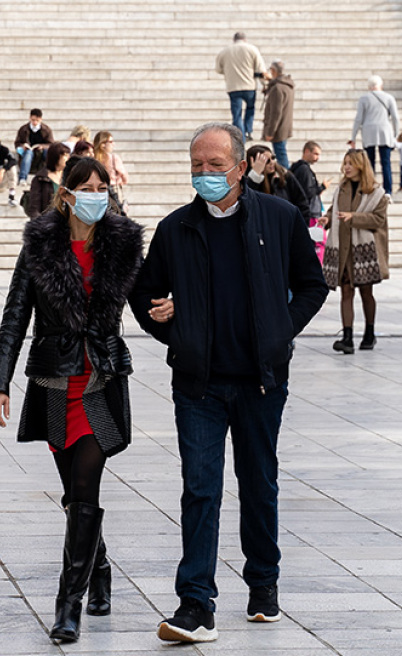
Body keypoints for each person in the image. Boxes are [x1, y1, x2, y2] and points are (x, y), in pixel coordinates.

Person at [129, 123, 327, 644]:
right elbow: (143, 294)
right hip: (199, 385)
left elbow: (311, 285)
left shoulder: (280, 218)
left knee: (259, 483)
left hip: (261, 382)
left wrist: (282, 329)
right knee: (200, 489)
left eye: (215, 165)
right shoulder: (175, 229)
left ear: (241, 167)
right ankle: (196, 604)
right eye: (197, 165)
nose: (205, 174)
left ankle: (263, 584)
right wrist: (167, 324)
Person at [0, 156, 144, 645]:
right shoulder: (41, 244)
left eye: (103, 185)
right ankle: (98, 568)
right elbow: (15, 316)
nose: (97, 193)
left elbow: (153, 298)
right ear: (67, 192)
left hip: (100, 382)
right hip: (56, 382)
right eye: (86, 186)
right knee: (72, 495)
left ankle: (66, 605)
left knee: (85, 487)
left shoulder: (122, 245)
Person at [319, 149, 390, 354]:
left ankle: (370, 332)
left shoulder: (376, 192)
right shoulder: (342, 188)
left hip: (364, 251)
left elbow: (378, 220)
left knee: (366, 292)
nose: (347, 167)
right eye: (345, 163)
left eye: (351, 163)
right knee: (346, 292)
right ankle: (347, 337)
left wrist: (354, 217)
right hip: (343, 248)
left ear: (361, 165)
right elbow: (336, 210)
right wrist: (327, 219)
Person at [349, 75, 400, 195]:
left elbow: (358, 119)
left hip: (368, 132)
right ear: (381, 85)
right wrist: (396, 135)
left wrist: (353, 137)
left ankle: (370, 188)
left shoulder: (364, 98)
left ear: (369, 87)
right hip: (385, 132)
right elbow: (395, 118)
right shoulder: (389, 97)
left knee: (369, 163)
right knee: (386, 162)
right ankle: (388, 191)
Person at [215, 32, 266, 140]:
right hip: (249, 86)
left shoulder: (225, 51)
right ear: (245, 39)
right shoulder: (252, 49)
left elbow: (218, 69)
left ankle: (240, 136)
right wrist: (264, 84)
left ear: (234, 39)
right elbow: (260, 69)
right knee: (250, 109)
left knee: (237, 114)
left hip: (233, 87)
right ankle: (248, 131)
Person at [289, 141, 332, 260]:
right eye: (315, 154)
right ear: (307, 151)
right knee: (318, 244)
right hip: (311, 214)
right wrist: (322, 187)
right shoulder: (304, 170)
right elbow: (308, 192)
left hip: (308, 213)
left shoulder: (298, 168)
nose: (317, 158)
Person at [243, 145, 308, 218]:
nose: (272, 162)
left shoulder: (285, 176)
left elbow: (302, 203)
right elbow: (246, 202)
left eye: (273, 158)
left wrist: (301, 225)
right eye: (266, 160)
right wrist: (255, 176)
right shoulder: (248, 181)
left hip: (286, 225)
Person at [260, 60, 294, 167]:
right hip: (284, 126)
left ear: (273, 70)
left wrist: (270, 132)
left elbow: (276, 113)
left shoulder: (277, 88)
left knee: (281, 156)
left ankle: (286, 179)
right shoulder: (286, 85)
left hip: (278, 129)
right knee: (281, 153)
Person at [25, 143, 69, 218]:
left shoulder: (69, 177)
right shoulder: (40, 178)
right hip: (48, 222)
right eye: (65, 155)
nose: (68, 158)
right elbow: (34, 208)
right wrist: (42, 226)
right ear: (57, 157)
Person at [15, 108, 55, 185]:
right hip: (29, 151)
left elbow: (51, 144)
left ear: (41, 119)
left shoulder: (46, 130)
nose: (34, 122)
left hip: (41, 152)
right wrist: (23, 146)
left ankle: (50, 175)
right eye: (33, 120)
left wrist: (42, 146)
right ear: (30, 118)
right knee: (28, 154)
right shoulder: (23, 129)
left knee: (48, 153)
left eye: (37, 120)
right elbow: (17, 143)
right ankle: (22, 178)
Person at [93, 131, 128, 212]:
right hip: (113, 190)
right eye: (111, 142)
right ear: (103, 144)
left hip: (97, 190)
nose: (113, 144)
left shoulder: (93, 159)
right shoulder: (114, 158)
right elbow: (125, 177)